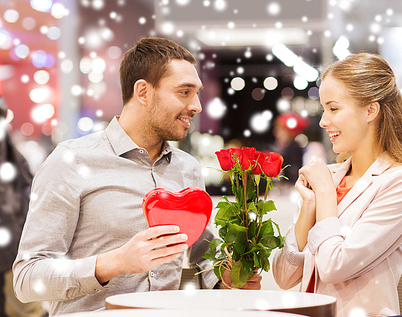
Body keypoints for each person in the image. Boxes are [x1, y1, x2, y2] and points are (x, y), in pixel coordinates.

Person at [13, 37, 260, 316]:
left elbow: (200, 262)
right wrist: (116, 262)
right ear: (143, 92)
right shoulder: (71, 161)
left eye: (197, 93)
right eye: (185, 92)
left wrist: (224, 280)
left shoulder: (188, 168)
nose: (197, 106)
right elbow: (27, 279)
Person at [272, 52, 402, 317]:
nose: (323, 121)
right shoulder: (330, 177)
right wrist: (308, 208)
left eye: (333, 108)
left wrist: (323, 193)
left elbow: (335, 266)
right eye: (324, 109)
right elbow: (283, 276)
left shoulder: (401, 183)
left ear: (371, 110)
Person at [0, 97, 46, 317]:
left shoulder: (14, 156)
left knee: (25, 308)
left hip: (14, 245)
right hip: (15, 242)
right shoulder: (14, 155)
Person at [272, 112, 309, 184]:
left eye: (279, 129)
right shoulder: (283, 147)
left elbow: (293, 172)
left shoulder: (294, 147)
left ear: (288, 131)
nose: (276, 132)